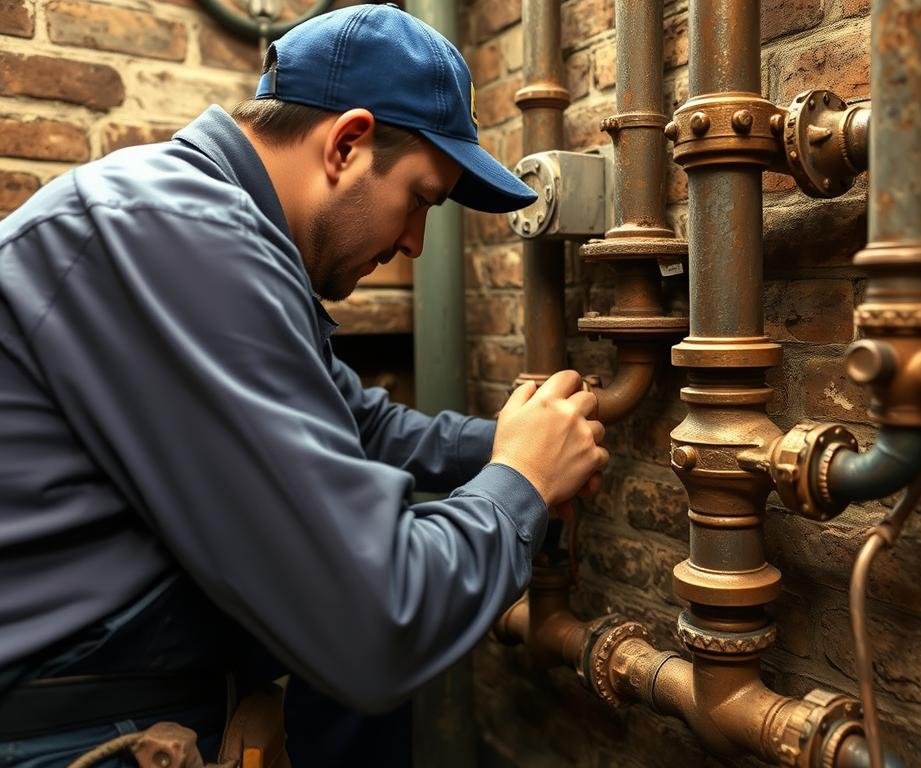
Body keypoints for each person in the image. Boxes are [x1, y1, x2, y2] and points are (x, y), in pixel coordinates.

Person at [0, 3, 608, 765]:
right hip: (63, 734)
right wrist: (521, 481)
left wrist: (523, 439)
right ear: (348, 144)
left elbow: (362, 424)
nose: (416, 243)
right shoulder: (179, 235)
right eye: (421, 198)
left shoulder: (216, 230)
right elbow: (376, 622)